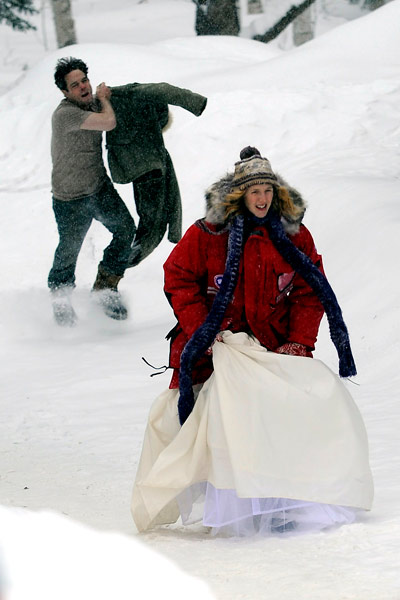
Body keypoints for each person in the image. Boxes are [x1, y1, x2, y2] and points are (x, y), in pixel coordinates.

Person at [131, 147, 373, 536]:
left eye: (267, 190)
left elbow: (312, 290)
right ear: (237, 194)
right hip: (213, 348)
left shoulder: (293, 235)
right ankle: (232, 502)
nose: (262, 198)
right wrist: (203, 330)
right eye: (254, 191)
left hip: (269, 347)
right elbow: (177, 278)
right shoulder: (206, 234)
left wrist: (298, 341)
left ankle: (281, 500)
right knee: (219, 423)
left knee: (293, 413)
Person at [48, 57, 136, 325]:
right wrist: (105, 100)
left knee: (125, 230)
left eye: (84, 80)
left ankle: (106, 286)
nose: (83, 87)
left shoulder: (91, 105)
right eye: (75, 85)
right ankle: (60, 297)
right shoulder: (65, 115)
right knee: (69, 249)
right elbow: (108, 121)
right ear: (64, 92)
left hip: (98, 188)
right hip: (70, 198)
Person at [105, 82, 207, 267]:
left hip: (144, 170)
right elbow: (163, 89)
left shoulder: (121, 101)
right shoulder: (132, 95)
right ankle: (119, 265)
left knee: (152, 225)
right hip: (149, 169)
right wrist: (195, 102)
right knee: (153, 227)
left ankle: (118, 266)